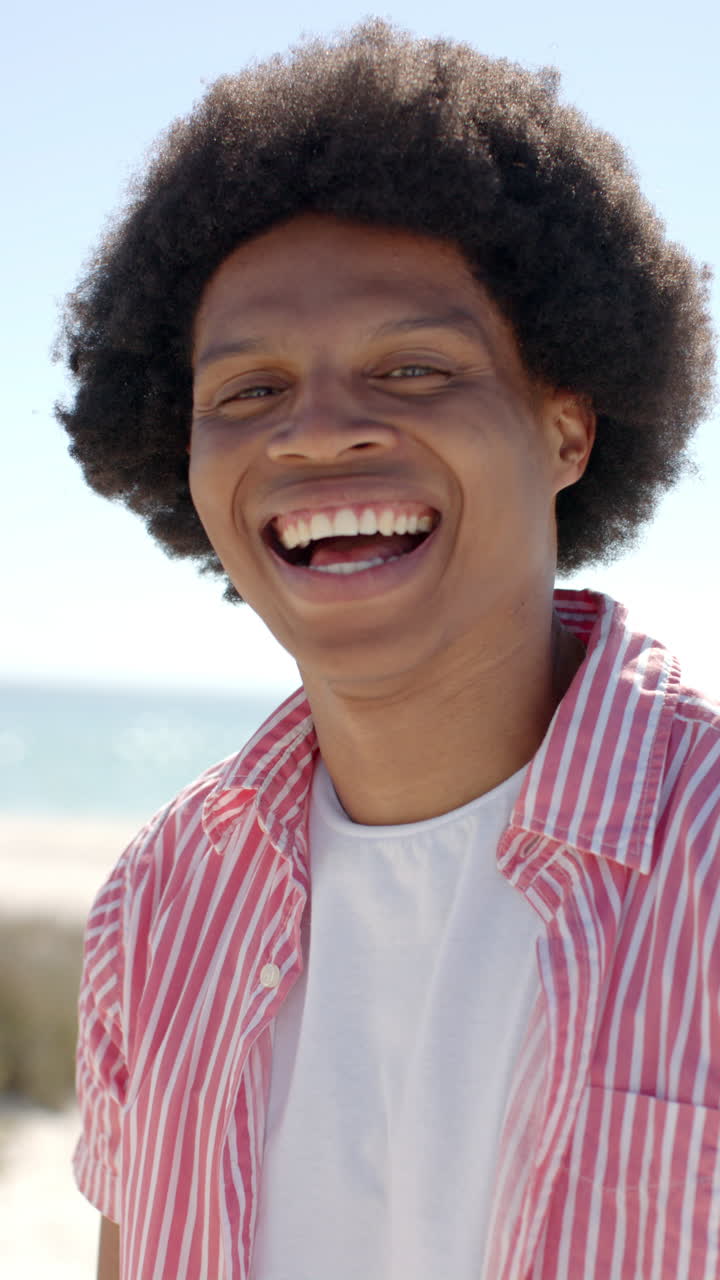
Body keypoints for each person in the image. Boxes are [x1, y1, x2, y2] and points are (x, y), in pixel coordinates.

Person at [57, 21, 719, 1280]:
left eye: (413, 367)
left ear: (567, 428)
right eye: (246, 391)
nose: (316, 433)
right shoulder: (159, 906)